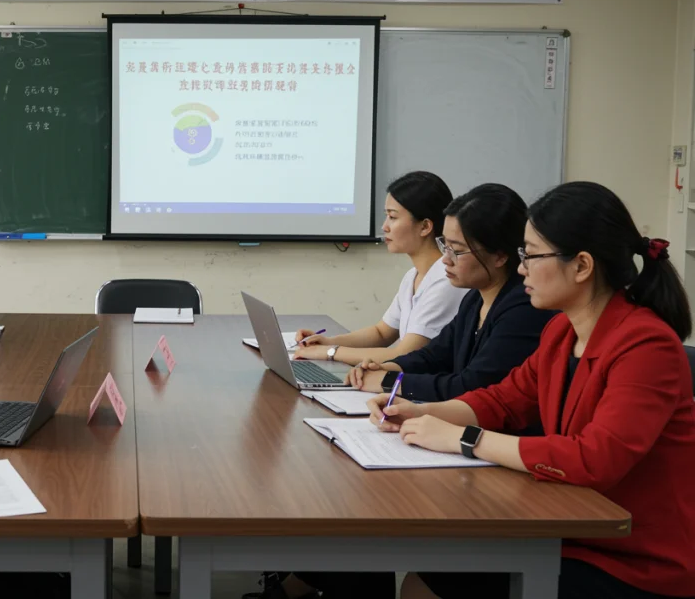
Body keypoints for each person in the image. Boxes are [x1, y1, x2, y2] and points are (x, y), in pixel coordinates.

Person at [371, 182, 695, 599]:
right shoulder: (561, 330)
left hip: (633, 560)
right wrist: (421, 411)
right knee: (427, 577)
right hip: (565, 527)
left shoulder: (646, 345)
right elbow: (503, 399)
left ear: (581, 265)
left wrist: (466, 439)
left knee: (436, 578)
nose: (521, 268)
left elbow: (594, 458)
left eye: (531, 255)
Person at [346, 183, 555, 401]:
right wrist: (387, 367)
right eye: (444, 245)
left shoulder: (523, 309)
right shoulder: (475, 298)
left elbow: (470, 386)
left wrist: (389, 381)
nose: (446, 258)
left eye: (457, 250)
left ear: (500, 255)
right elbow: (434, 355)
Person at [296, 172, 467, 366]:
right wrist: (328, 342)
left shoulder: (446, 279)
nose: (384, 226)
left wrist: (330, 352)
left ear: (425, 226)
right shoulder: (412, 276)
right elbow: (381, 332)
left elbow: (405, 353)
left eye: (393, 217)